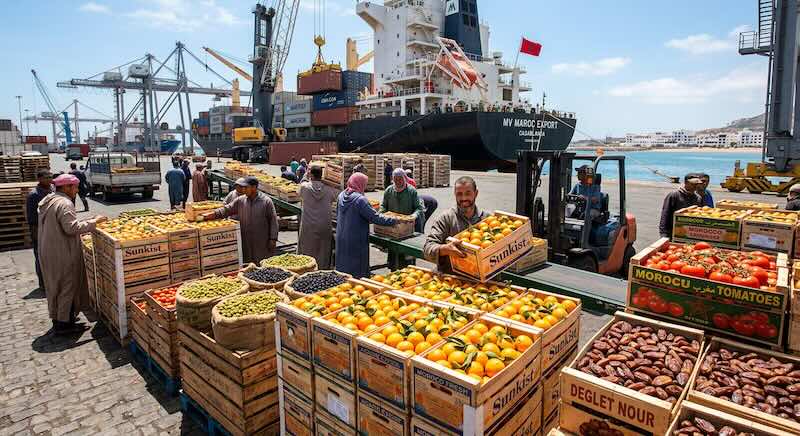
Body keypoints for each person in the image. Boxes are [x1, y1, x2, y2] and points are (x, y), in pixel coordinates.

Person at [38, 174, 107, 335]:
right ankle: (64, 325)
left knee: (56, 286)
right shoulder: (65, 203)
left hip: (49, 250)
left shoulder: (51, 199)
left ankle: (62, 318)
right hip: (61, 251)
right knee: (67, 285)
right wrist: (94, 223)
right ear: (66, 187)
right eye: (75, 187)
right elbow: (71, 228)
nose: (77, 190)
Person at [200, 176, 279, 264]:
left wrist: (273, 239)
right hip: (245, 239)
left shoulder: (266, 201)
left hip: (261, 240)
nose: (243, 190)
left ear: (254, 187)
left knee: (262, 263)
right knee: (247, 263)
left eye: (246, 187)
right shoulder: (241, 200)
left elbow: (273, 221)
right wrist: (213, 214)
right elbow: (227, 209)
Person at [335, 173, 397, 278]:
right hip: (356, 238)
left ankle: (343, 284)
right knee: (357, 268)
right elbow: (375, 217)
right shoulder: (360, 200)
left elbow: (337, 213)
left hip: (342, 235)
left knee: (344, 265)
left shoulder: (341, 195)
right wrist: (394, 220)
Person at [424, 176, 490, 272]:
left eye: (468, 193)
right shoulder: (445, 218)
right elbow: (427, 249)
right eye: (459, 194)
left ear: (476, 193)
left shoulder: (487, 219)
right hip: (452, 280)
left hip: (482, 281)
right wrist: (444, 249)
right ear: (455, 194)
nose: (464, 198)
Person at [298, 165, 340, 269]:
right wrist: (327, 182)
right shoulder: (329, 190)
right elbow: (338, 193)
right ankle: (322, 271)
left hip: (308, 225)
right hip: (324, 225)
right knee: (323, 250)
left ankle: (307, 270)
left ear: (310, 174)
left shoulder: (305, 188)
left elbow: (300, 186)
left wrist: (306, 175)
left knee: (307, 249)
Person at [27, 171, 53, 293]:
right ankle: (43, 284)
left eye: (50, 177)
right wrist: (37, 233)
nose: (49, 179)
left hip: (52, 229)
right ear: (39, 179)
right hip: (39, 229)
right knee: (40, 257)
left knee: (51, 257)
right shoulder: (34, 195)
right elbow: (32, 218)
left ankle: (52, 281)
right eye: (46, 177)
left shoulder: (52, 190)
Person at [382, 168, 425, 232]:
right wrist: (381, 213)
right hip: (393, 223)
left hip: (408, 223)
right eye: (395, 179)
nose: (398, 181)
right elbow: (384, 206)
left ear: (404, 178)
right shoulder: (389, 190)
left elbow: (419, 207)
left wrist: (413, 216)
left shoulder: (411, 191)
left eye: (400, 179)